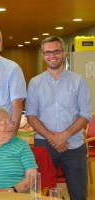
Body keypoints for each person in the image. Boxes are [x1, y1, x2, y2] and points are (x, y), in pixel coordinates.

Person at [25, 36, 91, 200]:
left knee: (79, 194)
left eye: (56, 51)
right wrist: (52, 137)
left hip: (74, 146)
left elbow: (85, 115)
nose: (52, 55)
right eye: (47, 52)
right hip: (44, 146)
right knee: (41, 194)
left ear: (64, 53)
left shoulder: (78, 81)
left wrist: (63, 136)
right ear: (43, 55)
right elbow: (31, 116)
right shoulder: (35, 83)